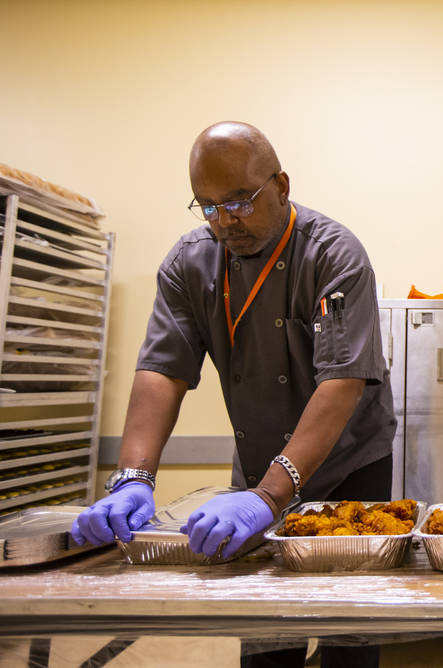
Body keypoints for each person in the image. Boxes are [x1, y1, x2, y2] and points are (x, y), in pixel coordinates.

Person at [71, 121, 395, 668]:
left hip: (350, 467)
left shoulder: (334, 254)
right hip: (257, 461)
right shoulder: (188, 263)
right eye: (208, 207)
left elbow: (341, 383)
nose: (224, 222)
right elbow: (161, 371)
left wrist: (271, 497)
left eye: (239, 202)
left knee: (350, 630)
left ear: (282, 186)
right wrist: (133, 478)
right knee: (266, 631)